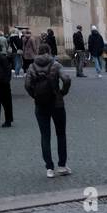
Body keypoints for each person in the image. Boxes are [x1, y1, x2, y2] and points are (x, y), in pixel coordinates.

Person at [24, 41, 71, 177]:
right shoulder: (55, 64)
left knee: (45, 136)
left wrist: (34, 95)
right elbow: (66, 79)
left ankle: (49, 168)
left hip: (40, 103)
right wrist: (62, 92)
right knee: (61, 134)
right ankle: (62, 166)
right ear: (49, 52)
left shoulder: (32, 66)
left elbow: (27, 85)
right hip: (57, 103)